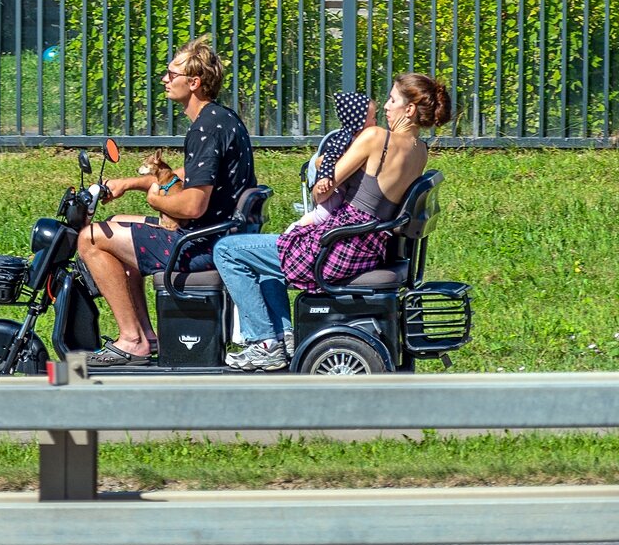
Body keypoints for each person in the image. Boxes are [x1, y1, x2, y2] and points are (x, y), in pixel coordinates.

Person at [213, 73, 451, 371]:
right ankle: (284, 336)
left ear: (410, 109)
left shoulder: (376, 138)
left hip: (338, 246)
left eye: (392, 100)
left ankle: (263, 342)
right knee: (261, 258)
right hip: (368, 246)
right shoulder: (420, 150)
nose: (387, 108)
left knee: (227, 250)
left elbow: (325, 186)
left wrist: (319, 168)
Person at [77, 36, 256, 367]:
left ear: (193, 82)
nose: (164, 79)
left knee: (89, 238)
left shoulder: (205, 129)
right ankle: (149, 336)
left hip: (201, 244)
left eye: (171, 74)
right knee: (116, 224)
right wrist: (129, 183)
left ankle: (132, 340)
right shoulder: (221, 118)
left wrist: (156, 201)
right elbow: (184, 177)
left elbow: (192, 206)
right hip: (218, 233)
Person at [288, 92, 376, 231]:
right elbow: (328, 157)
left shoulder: (361, 139)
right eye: (372, 118)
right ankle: (297, 227)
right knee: (323, 214)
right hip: (337, 187)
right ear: (358, 120)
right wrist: (325, 177)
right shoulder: (344, 139)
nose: (375, 122)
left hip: (347, 188)